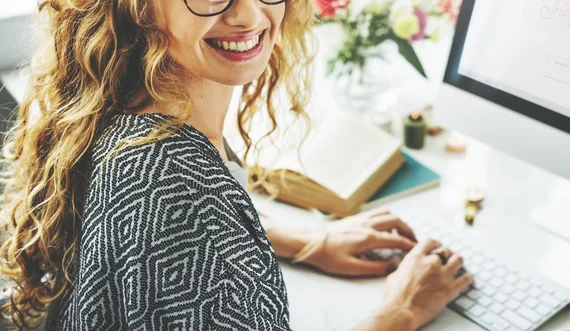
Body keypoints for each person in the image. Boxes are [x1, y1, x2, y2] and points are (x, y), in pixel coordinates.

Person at [0, 0, 472, 330]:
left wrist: (301, 239)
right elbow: (182, 215)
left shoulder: (124, 104)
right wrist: (400, 313)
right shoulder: (176, 185)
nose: (249, 14)